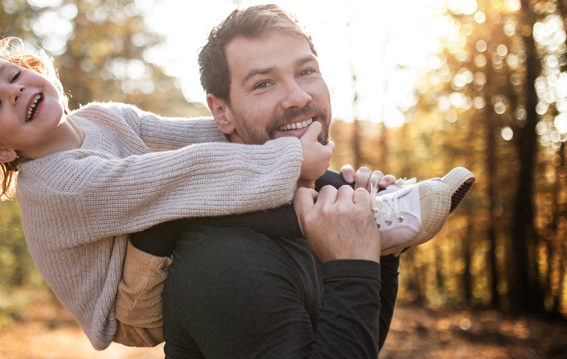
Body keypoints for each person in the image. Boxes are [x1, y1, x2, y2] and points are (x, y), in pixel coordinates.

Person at [0, 36, 400, 350]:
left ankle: (364, 205)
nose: (14, 91)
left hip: (145, 239)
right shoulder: (55, 185)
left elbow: (194, 136)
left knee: (208, 187)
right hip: (127, 302)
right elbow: (174, 177)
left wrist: (265, 132)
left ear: (31, 68)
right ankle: (351, 217)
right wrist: (291, 160)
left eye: (13, 76)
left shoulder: (102, 117)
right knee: (180, 202)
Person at [160, 4, 475, 358]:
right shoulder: (225, 259)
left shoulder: (310, 215)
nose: (298, 97)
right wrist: (352, 266)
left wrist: (377, 248)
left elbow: (354, 345)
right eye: (263, 83)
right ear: (222, 112)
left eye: (306, 71)